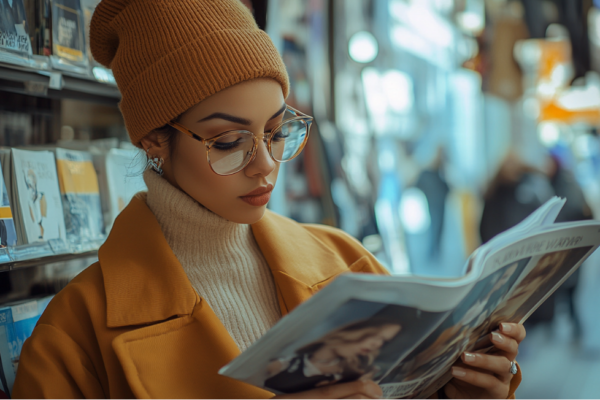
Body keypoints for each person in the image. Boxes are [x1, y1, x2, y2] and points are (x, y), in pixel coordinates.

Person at [12, 0, 525, 398]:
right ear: (153, 141)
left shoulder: (343, 261)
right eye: (229, 142)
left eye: (278, 131)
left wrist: (460, 390)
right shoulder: (74, 333)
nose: (266, 164)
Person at [265, 319, 401, 393]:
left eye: (383, 341)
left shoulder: (356, 373)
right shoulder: (284, 364)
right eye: (375, 335)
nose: (376, 344)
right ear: (354, 330)